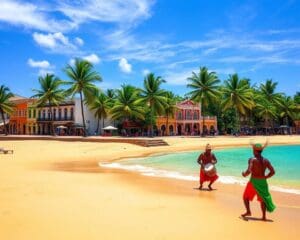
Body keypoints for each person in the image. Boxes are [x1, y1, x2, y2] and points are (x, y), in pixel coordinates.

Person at [241, 142, 276, 221]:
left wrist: (244, 174)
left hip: (253, 181)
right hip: (263, 182)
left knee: (245, 197)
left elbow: (249, 170)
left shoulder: (252, 159)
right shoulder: (266, 160)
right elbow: (273, 172)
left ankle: (248, 211)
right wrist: (265, 177)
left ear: (255, 151)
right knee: (262, 199)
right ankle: (263, 217)